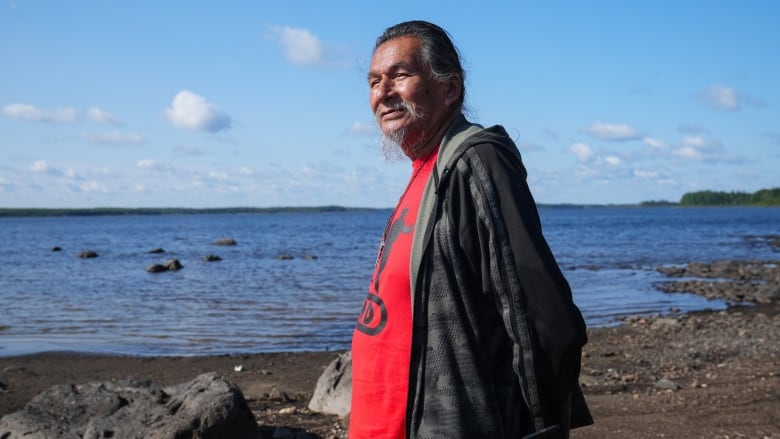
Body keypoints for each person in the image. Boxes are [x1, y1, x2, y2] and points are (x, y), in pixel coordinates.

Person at [350, 20, 592, 439]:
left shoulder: (476, 162)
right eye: (374, 81)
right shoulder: (427, 172)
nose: (383, 92)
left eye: (401, 75)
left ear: (450, 89)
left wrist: (542, 427)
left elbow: (545, 320)